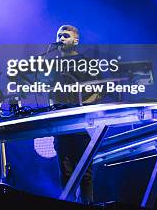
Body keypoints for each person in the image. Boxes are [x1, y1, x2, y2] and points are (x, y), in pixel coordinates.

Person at [51, 24, 95, 204]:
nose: (61, 39)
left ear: (75, 40)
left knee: (84, 172)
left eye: (65, 36)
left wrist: (82, 104)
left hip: (81, 124)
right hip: (60, 125)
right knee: (65, 173)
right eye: (59, 35)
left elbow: (98, 91)